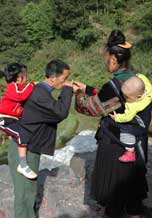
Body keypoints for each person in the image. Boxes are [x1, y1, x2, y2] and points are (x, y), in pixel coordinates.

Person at [74, 29, 151, 218]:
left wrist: (77, 93)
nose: (105, 61)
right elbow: (112, 100)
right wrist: (89, 88)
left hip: (117, 146)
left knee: (114, 197)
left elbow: (91, 108)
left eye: (105, 57)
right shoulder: (139, 79)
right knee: (133, 195)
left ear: (113, 60)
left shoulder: (114, 86)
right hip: (137, 143)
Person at [7, 59, 76, 218]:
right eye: (64, 79)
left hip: (30, 147)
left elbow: (53, 113)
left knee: (29, 191)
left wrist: (66, 89)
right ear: (52, 78)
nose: (66, 82)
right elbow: (59, 112)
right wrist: (67, 90)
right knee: (24, 194)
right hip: (24, 149)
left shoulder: (40, 91)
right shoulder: (39, 94)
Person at [0, 63, 37, 179]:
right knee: (22, 134)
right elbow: (21, 96)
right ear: (19, 78)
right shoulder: (12, 87)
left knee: (24, 133)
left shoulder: (18, 87)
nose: (27, 80)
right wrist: (32, 85)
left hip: (12, 119)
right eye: (26, 77)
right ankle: (23, 165)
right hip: (3, 118)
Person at [110, 74, 152, 162]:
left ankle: (130, 151)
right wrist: (139, 75)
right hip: (147, 117)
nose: (125, 98)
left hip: (141, 126)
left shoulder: (133, 106)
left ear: (138, 97)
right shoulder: (148, 88)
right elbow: (144, 79)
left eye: (127, 97)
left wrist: (117, 117)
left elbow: (127, 117)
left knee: (126, 131)